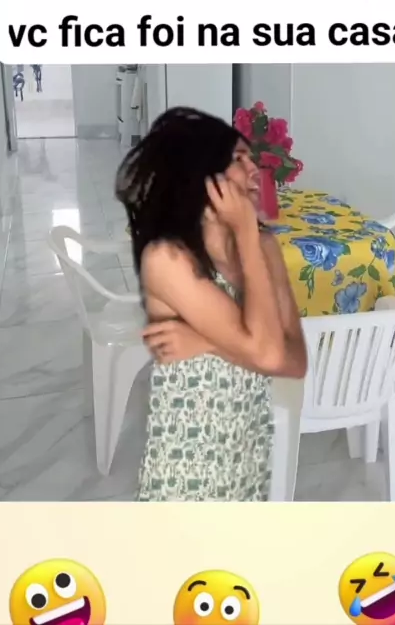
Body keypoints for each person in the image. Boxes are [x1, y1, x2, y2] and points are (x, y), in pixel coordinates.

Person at [115, 106, 307, 501]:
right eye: (239, 159)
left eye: (252, 158)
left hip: (249, 453)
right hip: (189, 469)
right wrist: (247, 233)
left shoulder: (264, 246)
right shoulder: (168, 259)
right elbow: (270, 353)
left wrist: (206, 341)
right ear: (202, 177)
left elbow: (295, 362)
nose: (254, 170)